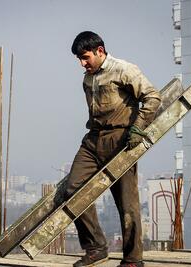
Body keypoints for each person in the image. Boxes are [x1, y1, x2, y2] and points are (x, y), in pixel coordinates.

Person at [66, 31, 161, 267]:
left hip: (121, 140)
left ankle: (132, 259)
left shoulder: (124, 69)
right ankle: (96, 248)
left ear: (100, 51)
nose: (82, 63)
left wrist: (138, 128)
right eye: (79, 58)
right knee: (72, 190)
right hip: (93, 140)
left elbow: (152, 97)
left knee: (126, 203)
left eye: (85, 57)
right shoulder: (87, 78)